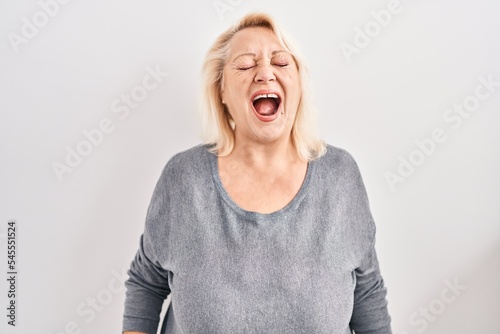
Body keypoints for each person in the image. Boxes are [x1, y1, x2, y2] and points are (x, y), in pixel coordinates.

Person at [122, 12, 392, 334]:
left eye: (280, 62)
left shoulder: (341, 178)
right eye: (246, 65)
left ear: (299, 84)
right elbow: (147, 284)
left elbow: (367, 293)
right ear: (221, 91)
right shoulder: (183, 180)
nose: (265, 73)